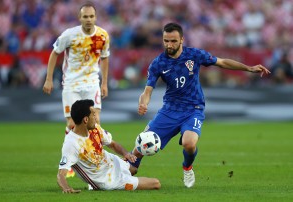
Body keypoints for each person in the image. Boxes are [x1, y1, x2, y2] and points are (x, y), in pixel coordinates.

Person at [129, 22, 271, 188]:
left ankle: (187, 167)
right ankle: (121, 172)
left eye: (173, 41)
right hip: (169, 110)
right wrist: (143, 103)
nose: (169, 44)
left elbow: (222, 62)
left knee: (189, 143)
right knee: (138, 149)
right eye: (166, 41)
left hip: (193, 109)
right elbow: (147, 91)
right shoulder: (158, 63)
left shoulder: (194, 55)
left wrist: (249, 68)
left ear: (181, 40)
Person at [57, 99, 161, 193]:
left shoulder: (95, 128)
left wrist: (126, 154)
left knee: (134, 170)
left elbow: (112, 144)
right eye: (93, 114)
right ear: (85, 120)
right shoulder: (71, 144)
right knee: (156, 184)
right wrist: (66, 188)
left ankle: (125, 174)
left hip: (112, 162)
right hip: (108, 181)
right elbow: (61, 174)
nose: (96, 117)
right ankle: (101, 185)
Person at [43, 2, 109, 135]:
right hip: (72, 83)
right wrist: (48, 79)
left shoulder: (103, 35)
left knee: (95, 123)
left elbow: (105, 57)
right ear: (80, 18)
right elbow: (55, 53)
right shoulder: (69, 35)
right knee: (73, 123)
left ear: (96, 17)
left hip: (92, 83)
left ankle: (92, 154)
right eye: (85, 17)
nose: (89, 19)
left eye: (91, 16)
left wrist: (104, 83)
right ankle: (69, 152)